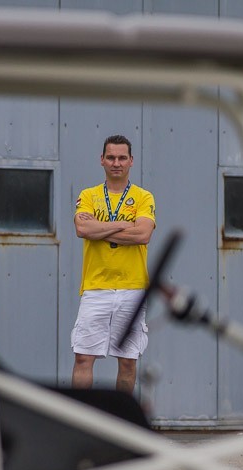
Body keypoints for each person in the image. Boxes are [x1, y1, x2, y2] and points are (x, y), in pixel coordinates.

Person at [71, 134, 156, 394]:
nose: (116, 163)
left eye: (121, 158)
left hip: (132, 288)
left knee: (128, 361)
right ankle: (82, 413)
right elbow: (82, 229)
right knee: (83, 357)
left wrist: (100, 229)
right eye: (110, 157)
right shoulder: (89, 195)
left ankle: (120, 415)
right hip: (96, 287)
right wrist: (121, 224)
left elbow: (143, 234)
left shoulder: (143, 197)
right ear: (102, 160)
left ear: (131, 161)